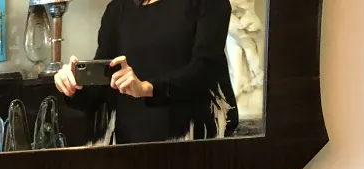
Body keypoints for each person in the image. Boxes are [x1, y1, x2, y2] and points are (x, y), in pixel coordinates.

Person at [53, 0, 237, 145]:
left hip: (191, 139)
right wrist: (72, 85)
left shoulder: (209, 3)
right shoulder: (118, 9)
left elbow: (204, 71)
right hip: (131, 144)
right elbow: (102, 84)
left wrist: (146, 88)